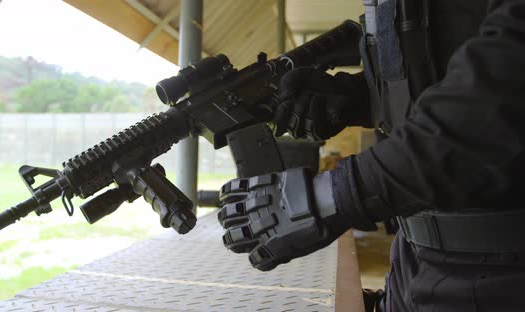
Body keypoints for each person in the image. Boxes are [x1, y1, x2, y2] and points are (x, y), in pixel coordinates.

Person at [217, 0, 525, 311]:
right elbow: (437, 74)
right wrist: (353, 99)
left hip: (501, 268)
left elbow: (505, 88)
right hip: (416, 254)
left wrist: (343, 192)